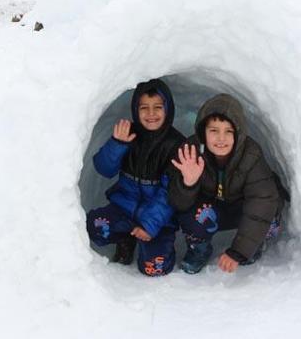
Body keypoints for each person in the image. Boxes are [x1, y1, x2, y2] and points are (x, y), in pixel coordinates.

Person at [169, 94, 285, 274]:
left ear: (238, 134)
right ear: (202, 132)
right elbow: (177, 204)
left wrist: (239, 251)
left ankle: (253, 244)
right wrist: (188, 184)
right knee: (195, 214)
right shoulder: (190, 152)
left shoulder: (250, 155)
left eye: (228, 131)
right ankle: (199, 249)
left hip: (242, 206)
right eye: (214, 131)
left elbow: (262, 200)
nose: (221, 138)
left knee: (267, 213)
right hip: (212, 210)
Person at [86, 79, 185, 276]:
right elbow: (104, 169)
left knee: (154, 268)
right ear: (135, 109)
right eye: (144, 108)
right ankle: (126, 239)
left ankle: (160, 248)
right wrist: (117, 144)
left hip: (159, 221)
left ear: (168, 109)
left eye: (157, 107)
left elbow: (169, 193)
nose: (151, 114)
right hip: (123, 210)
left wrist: (149, 226)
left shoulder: (176, 145)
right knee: (93, 227)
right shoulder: (128, 134)